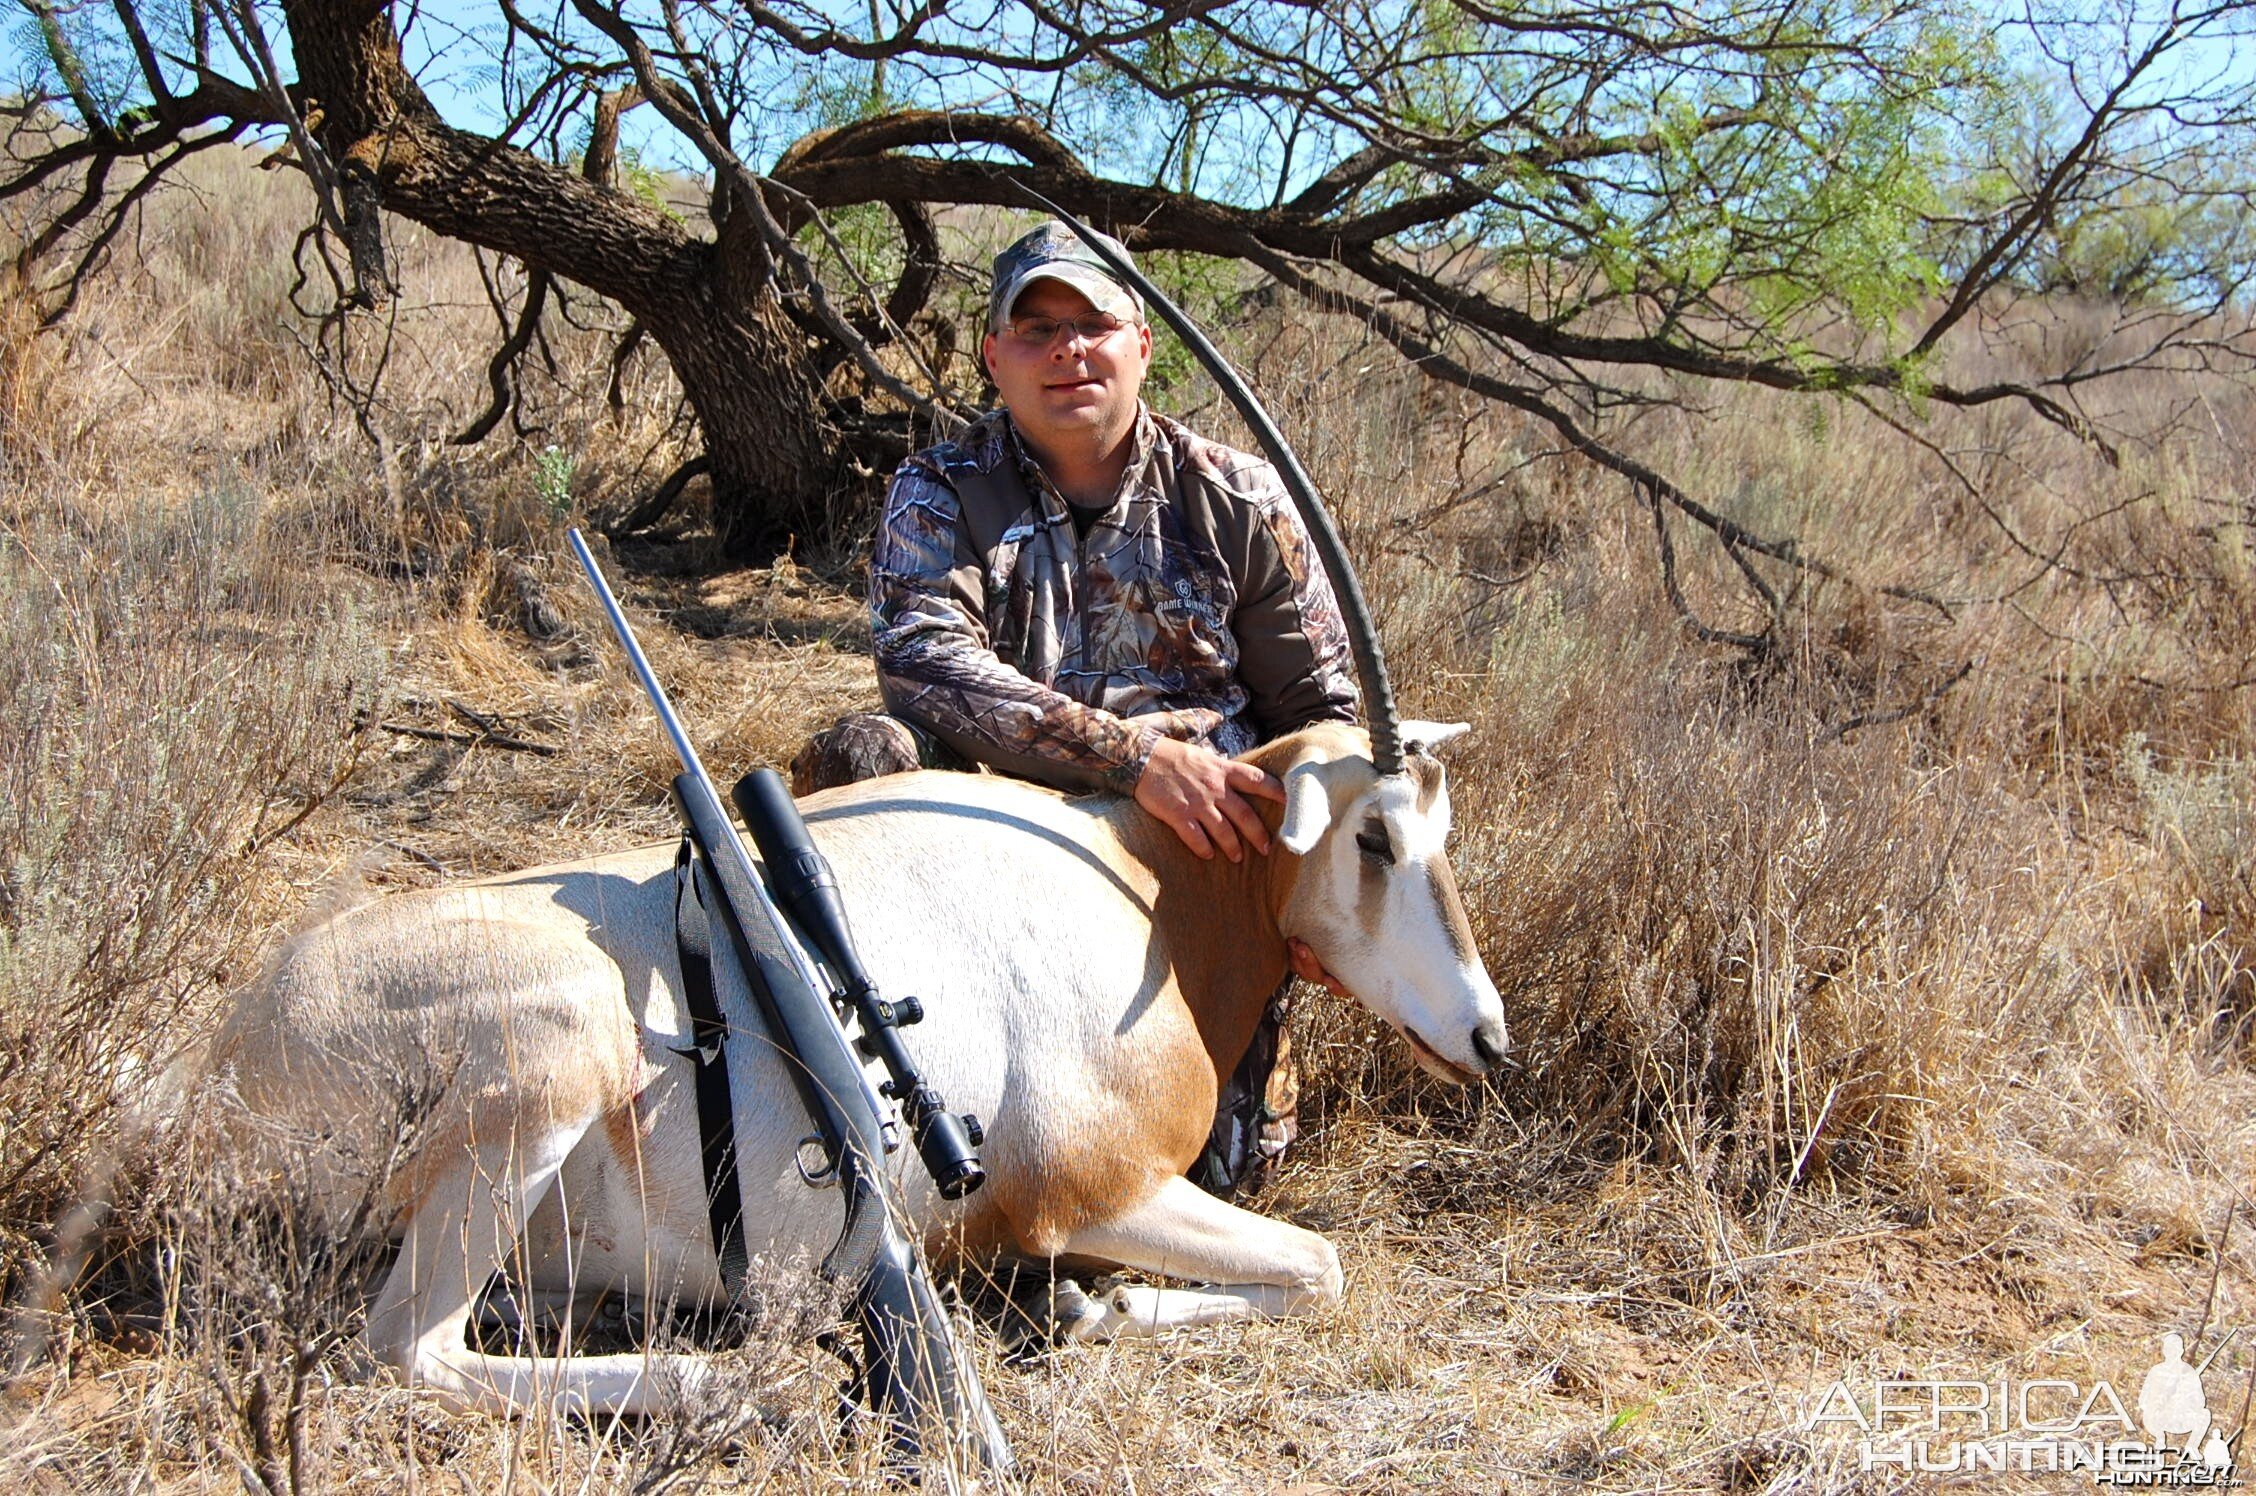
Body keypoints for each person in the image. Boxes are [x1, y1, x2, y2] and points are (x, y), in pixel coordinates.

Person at [797, 219, 1361, 1194]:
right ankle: (854, 1093)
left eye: (1094, 323)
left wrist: (1321, 896)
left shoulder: (1240, 496)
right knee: (861, 752)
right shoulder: (937, 488)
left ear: (1142, 341)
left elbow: (1326, 718)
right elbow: (926, 662)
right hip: (992, 874)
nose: (1068, 350)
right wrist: (1132, 759)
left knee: (1213, 1186)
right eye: (1036, 328)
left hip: (1196, 878)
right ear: (993, 357)